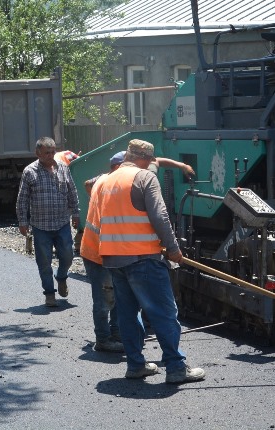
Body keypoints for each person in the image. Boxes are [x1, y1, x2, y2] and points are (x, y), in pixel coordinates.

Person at [96, 139, 205, 384]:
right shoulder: (144, 178)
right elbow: (160, 215)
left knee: (127, 314)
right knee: (164, 313)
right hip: (143, 257)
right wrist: (174, 249)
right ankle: (176, 367)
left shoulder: (107, 180)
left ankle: (135, 365)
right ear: (146, 158)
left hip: (114, 259)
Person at [16, 137, 80, 307]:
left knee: (68, 255)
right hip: (40, 226)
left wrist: (76, 213)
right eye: (47, 153)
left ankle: (61, 277)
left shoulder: (63, 168)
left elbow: (72, 191)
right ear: (38, 153)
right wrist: (23, 221)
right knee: (44, 262)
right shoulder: (30, 172)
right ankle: (49, 293)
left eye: (53, 152)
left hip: (62, 223)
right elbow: (22, 199)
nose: (51, 155)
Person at [79, 153, 124, 353]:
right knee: (104, 299)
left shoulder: (102, 179)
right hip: (99, 253)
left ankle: (116, 335)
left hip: (100, 250)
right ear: (117, 168)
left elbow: (87, 183)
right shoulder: (111, 187)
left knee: (115, 297)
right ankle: (103, 339)